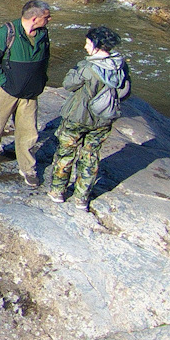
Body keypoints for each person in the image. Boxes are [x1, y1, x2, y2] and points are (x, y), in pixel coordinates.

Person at [48, 25, 131, 213]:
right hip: (103, 120)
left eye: (87, 43)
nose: (85, 47)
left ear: (96, 45)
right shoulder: (120, 65)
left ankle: (58, 192)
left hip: (77, 118)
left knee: (65, 154)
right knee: (91, 156)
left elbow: (68, 84)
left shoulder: (88, 67)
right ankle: (81, 198)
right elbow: (125, 92)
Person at [0, 0, 51, 186]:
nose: (49, 20)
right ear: (34, 18)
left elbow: (45, 60)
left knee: (28, 131)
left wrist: (41, 81)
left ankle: (27, 167)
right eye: (47, 17)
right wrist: (3, 82)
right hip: (5, 91)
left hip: (30, 94)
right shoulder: (6, 33)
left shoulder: (43, 34)